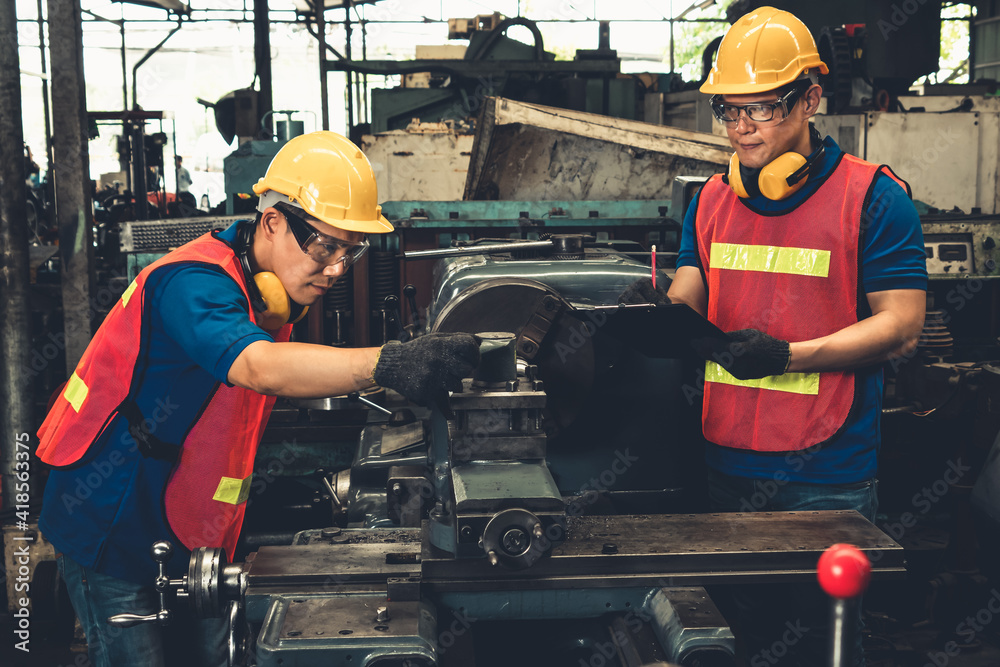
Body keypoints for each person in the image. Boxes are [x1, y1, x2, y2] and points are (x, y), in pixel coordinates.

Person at [35, 131, 480, 667]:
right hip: (112, 516)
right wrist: (388, 362)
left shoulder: (265, 288)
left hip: (194, 524)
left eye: (350, 251)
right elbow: (258, 366)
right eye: (325, 245)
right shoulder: (191, 283)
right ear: (272, 222)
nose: (337, 268)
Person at [622, 7, 926, 666]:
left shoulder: (872, 198)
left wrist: (789, 355)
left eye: (762, 109)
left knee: (823, 646)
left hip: (828, 472)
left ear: (811, 98)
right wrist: (654, 315)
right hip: (726, 462)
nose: (741, 128)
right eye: (730, 111)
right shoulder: (709, 200)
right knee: (736, 642)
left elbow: (903, 326)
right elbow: (689, 296)